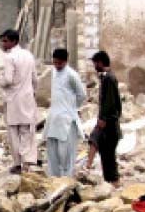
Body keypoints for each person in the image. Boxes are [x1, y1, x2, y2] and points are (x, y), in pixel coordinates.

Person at [0, 29, 38, 173]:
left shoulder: (9, 57)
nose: (4, 44)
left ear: (14, 41)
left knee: (13, 132)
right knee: (27, 131)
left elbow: (8, 79)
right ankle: (27, 162)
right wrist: (33, 92)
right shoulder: (28, 55)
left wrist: (0, 80)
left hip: (13, 100)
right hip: (27, 99)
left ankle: (17, 164)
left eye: (6, 41)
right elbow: (35, 78)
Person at [44, 48, 87, 177]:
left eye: (60, 63)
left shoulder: (72, 75)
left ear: (66, 61)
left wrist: (73, 108)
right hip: (54, 118)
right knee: (52, 152)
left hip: (67, 119)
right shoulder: (53, 72)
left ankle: (66, 179)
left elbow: (82, 94)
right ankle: (54, 178)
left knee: (66, 153)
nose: (57, 65)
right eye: (55, 62)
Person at [92, 50, 122, 187]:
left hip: (109, 123)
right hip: (110, 122)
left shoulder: (109, 78)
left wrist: (103, 118)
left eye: (95, 63)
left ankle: (114, 182)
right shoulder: (107, 77)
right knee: (105, 152)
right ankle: (110, 181)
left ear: (100, 62)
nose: (94, 66)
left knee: (108, 154)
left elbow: (109, 102)